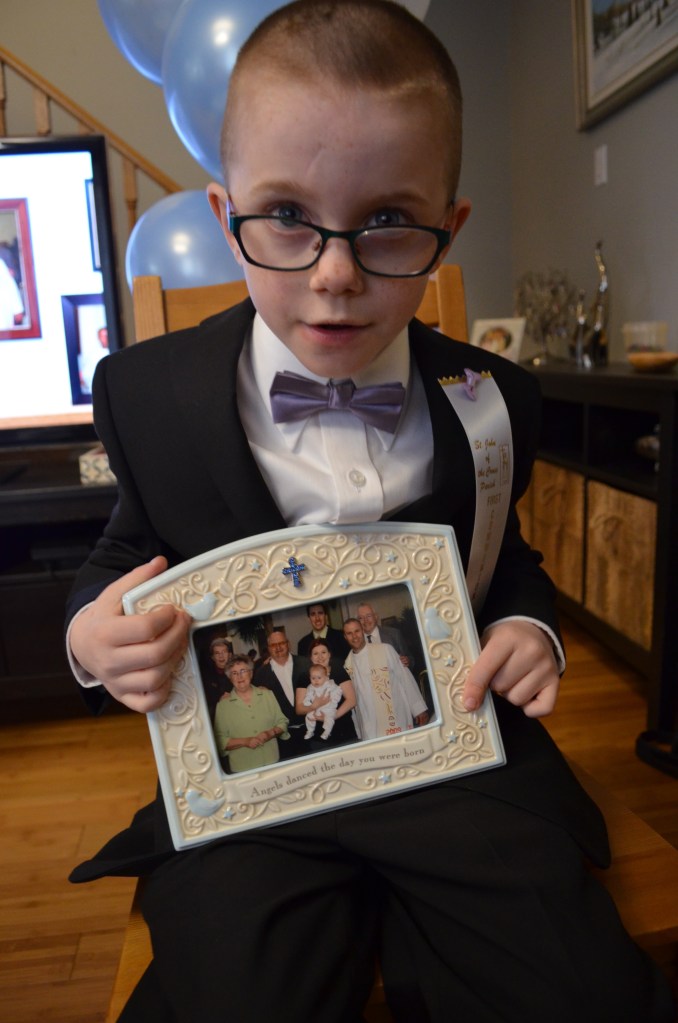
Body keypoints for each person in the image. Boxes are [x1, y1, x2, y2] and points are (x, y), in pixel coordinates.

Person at [65, 2, 674, 1020]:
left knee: (575, 984)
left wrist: (528, 627)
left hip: (451, 756)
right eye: (289, 217)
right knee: (233, 995)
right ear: (226, 217)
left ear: (448, 226)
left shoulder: (494, 398)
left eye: (388, 219)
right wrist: (92, 639)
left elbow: (503, 557)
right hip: (254, 790)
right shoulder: (146, 393)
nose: (337, 274)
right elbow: (129, 550)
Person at [343, 618, 428, 738]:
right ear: (345, 636)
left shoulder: (385, 649)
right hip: (369, 723)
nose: (354, 636)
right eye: (349, 633)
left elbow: (404, 678)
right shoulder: (347, 665)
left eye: (356, 631)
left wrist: (418, 708)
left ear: (363, 631)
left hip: (395, 717)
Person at [213, 655, 288, 773]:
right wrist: (245, 742)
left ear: (251, 674)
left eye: (243, 671)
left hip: (272, 763)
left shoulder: (267, 695)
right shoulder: (223, 705)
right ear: (230, 678)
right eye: (234, 673)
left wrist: (270, 733)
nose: (239, 676)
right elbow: (219, 740)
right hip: (243, 769)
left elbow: (282, 722)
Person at [252, 629, 310, 757]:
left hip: (311, 730)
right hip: (282, 739)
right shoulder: (261, 674)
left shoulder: (305, 664)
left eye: (281, 643)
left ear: (288, 644)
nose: (278, 647)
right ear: (268, 648)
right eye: (273, 645)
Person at [295, 638, 358, 750]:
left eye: (323, 652)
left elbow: (352, 700)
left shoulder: (338, 671)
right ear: (310, 657)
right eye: (315, 653)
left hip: (344, 731)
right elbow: (299, 709)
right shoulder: (304, 677)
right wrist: (314, 706)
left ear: (329, 654)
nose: (320, 657)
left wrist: (332, 716)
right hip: (319, 737)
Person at [356, 601, 415, 669]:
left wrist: (407, 661)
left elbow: (411, 659)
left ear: (376, 617)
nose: (365, 620)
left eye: (368, 616)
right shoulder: (357, 641)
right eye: (361, 618)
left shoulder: (394, 634)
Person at [302, 663, 342, 740]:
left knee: (330, 718)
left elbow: (338, 690)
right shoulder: (310, 687)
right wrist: (307, 702)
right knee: (308, 716)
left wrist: (334, 700)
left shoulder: (330, 684)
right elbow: (308, 695)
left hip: (328, 708)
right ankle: (310, 731)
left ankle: (327, 732)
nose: (316, 681)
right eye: (313, 678)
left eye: (319, 678)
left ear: (326, 677)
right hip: (316, 708)